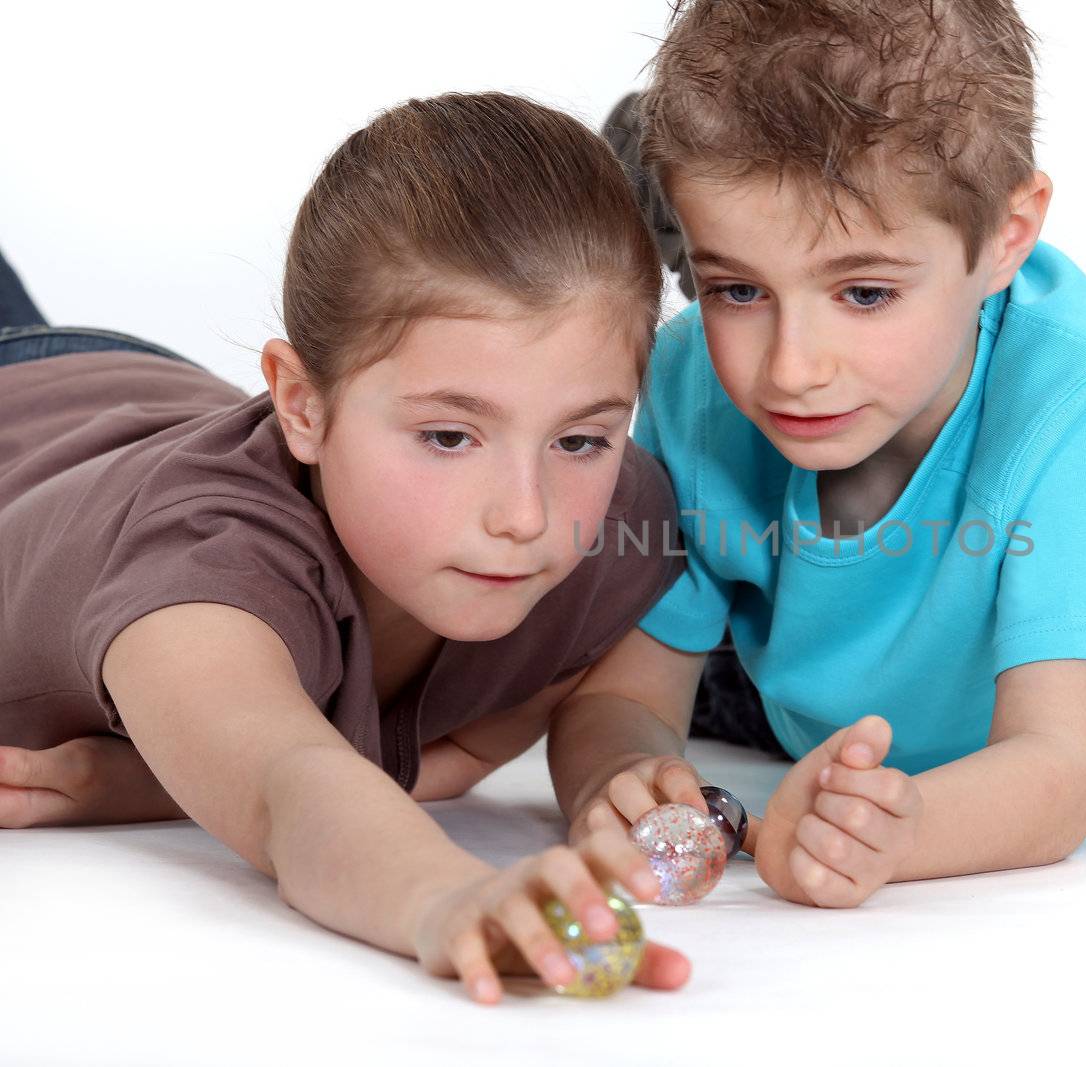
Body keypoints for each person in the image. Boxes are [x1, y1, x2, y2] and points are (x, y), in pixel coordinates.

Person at [577, 0, 1086, 909]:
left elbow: (1058, 776)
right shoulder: (696, 376)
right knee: (636, 631)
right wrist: (617, 779)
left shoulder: (1085, 413)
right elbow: (625, 699)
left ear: (1008, 238)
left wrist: (894, 830)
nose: (792, 369)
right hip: (846, 642)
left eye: (866, 292)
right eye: (735, 288)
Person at [0, 92, 701, 1003]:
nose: (525, 515)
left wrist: (613, 772)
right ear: (301, 405)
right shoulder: (203, 566)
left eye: (579, 438)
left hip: (136, 392)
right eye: (450, 437)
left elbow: (580, 696)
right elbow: (290, 788)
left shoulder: (616, 519)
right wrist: (444, 893)